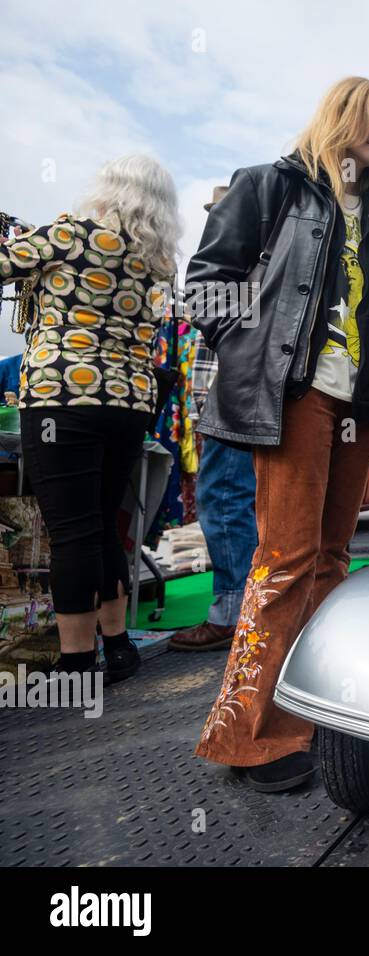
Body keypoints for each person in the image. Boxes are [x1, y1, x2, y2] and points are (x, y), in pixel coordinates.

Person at [187, 76, 369, 792]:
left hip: (360, 402)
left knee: (330, 562)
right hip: (297, 393)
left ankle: (308, 712)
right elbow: (203, 287)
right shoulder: (268, 186)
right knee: (285, 559)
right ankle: (247, 736)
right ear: (342, 116)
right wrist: (257, 351)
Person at [0, 155, 182, 682]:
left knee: (72, 534)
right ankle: (118, 647)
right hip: (129, 405)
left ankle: (77, 665)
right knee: (104, 527)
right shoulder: (158, 259)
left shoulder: (71, 233)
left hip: (63, 396)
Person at [169, 185, 258, 652]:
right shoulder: (241, 262)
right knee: (235, 501)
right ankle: (247, 610)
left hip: (234, 403)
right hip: (233, 403)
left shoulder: (240, 264)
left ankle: (233, 613)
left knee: (224, 500)